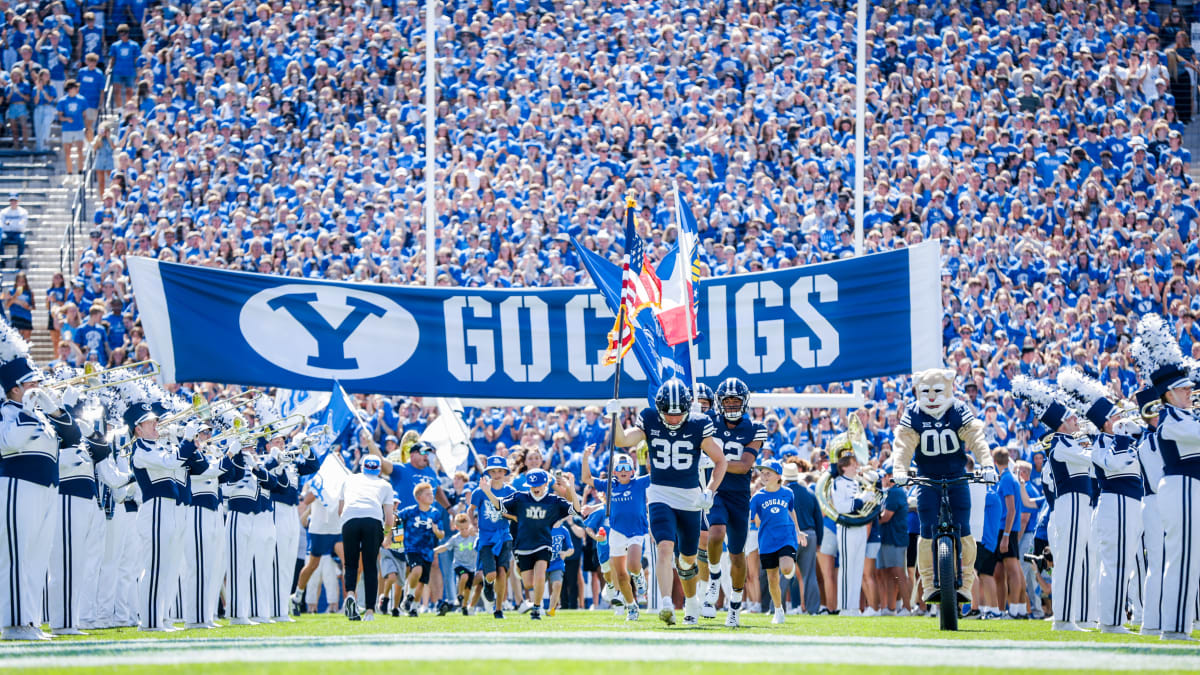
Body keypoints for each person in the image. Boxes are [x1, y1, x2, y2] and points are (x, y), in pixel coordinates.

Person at [608, 378, 727, 626]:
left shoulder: (699, 423)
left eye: (679, 413)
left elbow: (721, 461)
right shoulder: (650, 418)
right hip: (660, 492)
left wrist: (711, 490)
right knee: (664, 547)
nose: (673, 418)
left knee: (687, 560)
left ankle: (692, 602)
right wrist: (615, 417)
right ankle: (666, 604)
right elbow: (622, 441)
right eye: (668, 413)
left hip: (690, 497)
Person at [890, 368, 996, 610]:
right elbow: (904, 444)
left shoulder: (957, 408)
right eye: (925, 391)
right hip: (927, 476)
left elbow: (975, 438)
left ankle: (965, 584)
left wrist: (987, 464)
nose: (930, 397)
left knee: (965, 528)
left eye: (936, 391)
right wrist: (900, 469)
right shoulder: (913, 412)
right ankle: (928, 584)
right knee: (926, 529)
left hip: (957, 474)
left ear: (948, 387)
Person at [1057, 367, 1144, 633]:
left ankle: (1115, 619)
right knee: (1114, 564)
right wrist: (1121, 437)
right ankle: (1110, 621)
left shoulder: (1127, 439)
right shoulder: (1100, 444)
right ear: (1106, 422)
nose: (1121, 418)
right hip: (1114, 505)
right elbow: (1112, 464)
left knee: (1126, 563)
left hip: (1130, 504)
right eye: (1115, 416)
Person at [1137, 315, 1200, 641]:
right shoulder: (1172, 421)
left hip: (1186, 489)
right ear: (1169, 394)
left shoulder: (1179, 417)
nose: (1190, 392)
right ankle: (1175, 628)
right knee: (1182, 558)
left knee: (1187, 558)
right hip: (1183, 488)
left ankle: (1178, 626)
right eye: (1183, 388)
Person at [1013, 376, 1092, 631]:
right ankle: (1063, 618)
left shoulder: (1068, 443)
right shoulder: (1060, 444)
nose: (1077, 422)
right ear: (1060, 424)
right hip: (1067, 507)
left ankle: (1070, 616)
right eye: (1071, 419)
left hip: (1075, 505)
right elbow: (1091, 460)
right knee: (1067, 563)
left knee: (1073, 561)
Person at [703, 377, 766, 628]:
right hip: (716, 490)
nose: (730, 405)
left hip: (739, 496)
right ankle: (715, 576)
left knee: (738, 554)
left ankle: (735, 605)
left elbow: (745, 466)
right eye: (726, 401)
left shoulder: (754, 429)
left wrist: (717, 462)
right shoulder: (708, 423)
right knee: (715, 533)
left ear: (744, 402)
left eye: (735, 400)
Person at [481, 468, 579, 620]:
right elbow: (499, 506)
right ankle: (520, 572)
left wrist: (570, 488)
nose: (535, 488)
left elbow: (576, 510)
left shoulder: (553, 501)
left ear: (546, 483)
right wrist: (488, 491)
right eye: (532, 485)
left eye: (538, 484)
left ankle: (536, 608)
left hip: (544, 544)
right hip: (523, 546)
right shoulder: (520, 497)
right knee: (528, 583)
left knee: (540, 572)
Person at [580, 444, 648, 620]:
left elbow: (659, 475)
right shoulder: (609, 485)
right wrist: (586, 457)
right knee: (620, 575)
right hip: (616, 533)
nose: (624, 471)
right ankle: (631, 606)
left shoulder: (639, 482)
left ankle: (639, 576)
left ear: (633, 471)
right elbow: (586, 478)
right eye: (620, 468)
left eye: (627, 468)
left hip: (636, 531)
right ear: (614, 472)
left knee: (633, 565)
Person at [337, 455, 393, 621]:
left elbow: (340, 510)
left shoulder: (349, 480)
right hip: (373, 519)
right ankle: (369, 611)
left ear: (362, 467)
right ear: (379, 469)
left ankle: (351, 595)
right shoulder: (385, 485)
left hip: (350, 518)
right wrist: (386, 535)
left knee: (351, 564)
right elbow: (389, 518)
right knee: (370, 567)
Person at [751, 459, 807, 624]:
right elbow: (751, 517)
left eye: (768, 473)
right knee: (773, 578)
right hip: (767, 540)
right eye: (762, 473)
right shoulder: (757, 497)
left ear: (778, 476)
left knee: (787, 567)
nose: (764, 476)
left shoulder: (788, 493)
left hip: (786, 537)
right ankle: (778, 610)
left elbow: (791, 510)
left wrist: (798, 530)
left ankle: (788, 569)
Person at [469, 455, 514, 619]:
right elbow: (471, 509)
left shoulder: (510, 491)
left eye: (500, 471)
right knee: (491, 574)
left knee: (502, 571)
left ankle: (499, 608)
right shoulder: (480, 492)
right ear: (488, 473)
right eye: (493, 471)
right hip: (486, 537)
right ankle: (488, 585)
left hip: (504, 535)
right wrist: (472, 524)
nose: (496, 474)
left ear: (505, 472)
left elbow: (513, 512)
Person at [397, 482, 444, 617]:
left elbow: (442, 534)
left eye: (432, 494)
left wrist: (437, 532)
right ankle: (409, 596)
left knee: (422, 582)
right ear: (419, 498)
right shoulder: (410, 511)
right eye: (427, 494)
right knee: (417, 570)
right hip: (412, 548)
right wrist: (392, 538)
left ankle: (414, 607)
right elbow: (395, 519)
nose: (431, 496)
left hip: (428, 551)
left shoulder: (435, 513)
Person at [783, 461, 822, 614]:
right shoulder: (809, 493)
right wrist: (819, 541)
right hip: (810, 535)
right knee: (809, 574)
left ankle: (778, 608)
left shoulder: (784, 493)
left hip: (790, 535)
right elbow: (818, 518)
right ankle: (812, 609)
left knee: (784, 572)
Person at [876, 464, 912, 616]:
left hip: (895, 538)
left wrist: (869, 520)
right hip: (888, 538)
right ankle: (891, 608)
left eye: (885, 475)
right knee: (889, 574)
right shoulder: (891, 492)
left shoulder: (895, 492)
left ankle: (907, 607)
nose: (883, 479)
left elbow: (886, 517)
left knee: (898, 573)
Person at [433, 512, 478, 616]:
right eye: (462, 529)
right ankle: (459, 594)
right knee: (464, 576)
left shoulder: (475, 537)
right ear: (457, 528)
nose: (464, 531)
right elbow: (445, 547)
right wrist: (434, 551)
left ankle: (464, 606)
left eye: (466, 528)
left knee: (469, 588)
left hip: (471, 566)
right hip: (459, 565)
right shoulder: (455, 539)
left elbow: (483, 541)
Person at [546, 521, 574, 616]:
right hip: (543, 561)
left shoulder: (564, 530)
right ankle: (537, 606)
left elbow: (571, 549)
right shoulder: (545, 526)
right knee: (537, 584)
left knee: (557, 584)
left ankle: (551, 609)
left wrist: (565, 553)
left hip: (557, 562)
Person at [0, 194, 28, 260]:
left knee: (22, 238)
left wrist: (10, 224)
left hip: (17, 233)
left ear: (18, 201)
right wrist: (15, 224)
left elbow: (22, 225)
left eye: (14, 200)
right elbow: (2, 224)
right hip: (7, 233)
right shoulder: (4, 211)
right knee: (1, 238)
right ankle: (2, 259)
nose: (13, 202)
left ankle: (19, 259)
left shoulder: (23, 212)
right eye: (11, 200)